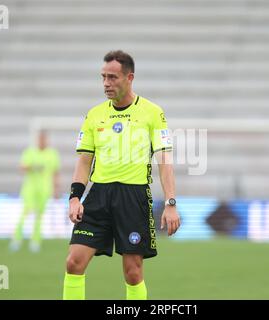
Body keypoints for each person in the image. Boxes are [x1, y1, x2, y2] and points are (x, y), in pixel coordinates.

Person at [63, 50, 180, 300]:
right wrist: (74, 198)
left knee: (133, 272)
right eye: (103, 77)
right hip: (98, 196)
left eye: (113, 77)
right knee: (73, 262)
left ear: (130, 77)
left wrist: (170, 203)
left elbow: (164, 162)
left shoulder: (152, 113)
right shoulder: (94, 115)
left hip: (133, 196)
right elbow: (84, 161)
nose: (106, 83)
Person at [10, 130, 60, 252]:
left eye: (44, 139)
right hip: (30, 189)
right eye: (40, 139)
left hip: (44, 189)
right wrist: (33, 166)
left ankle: (35, 241)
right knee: (25, 213)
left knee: (39, 216)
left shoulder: (52, 154)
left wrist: (56, 189)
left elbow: (55, 172)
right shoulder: (30, 152)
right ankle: (16, 239)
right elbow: (22, 167)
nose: (42, 142)